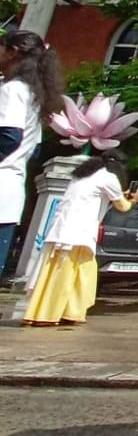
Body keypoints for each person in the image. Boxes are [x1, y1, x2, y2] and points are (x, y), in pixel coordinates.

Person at [24, 151, 138, 326]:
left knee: (67, 273)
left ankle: (67, 311)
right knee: (71, 275)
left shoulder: (82, 175)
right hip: (78, 233)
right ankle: (47, 315)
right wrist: (133, 200)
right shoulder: (108, 177)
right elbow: (122, 205)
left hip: (60, 230)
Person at [0, 31, 64, 279]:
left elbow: (10, 136)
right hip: (11, 191)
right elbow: (34, 148)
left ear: (13, 52)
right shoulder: (35, 96)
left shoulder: (13, 89)